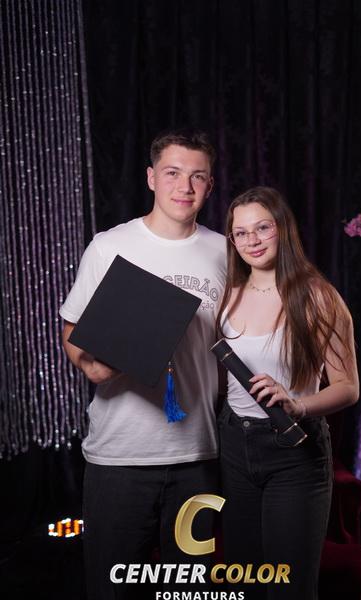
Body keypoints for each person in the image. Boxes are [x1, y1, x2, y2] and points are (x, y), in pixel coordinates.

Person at [60, 129, 226, 599]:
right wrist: (89, 366)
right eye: (172, 173)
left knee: (189, 590)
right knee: (112, 589)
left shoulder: (226, 251)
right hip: (120, 456)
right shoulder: (109, 246)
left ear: (210, 185)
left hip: (199, 455)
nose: (184, 187)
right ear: (152, 178)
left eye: (197, 176)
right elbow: (72, 328)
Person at [215, 186, 359, 600]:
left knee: (289, 587)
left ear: (283, 228)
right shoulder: (227, 295)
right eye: (241, 233)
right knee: (244, 582)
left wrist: (297, 404)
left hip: (295, 451)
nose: (252, 240)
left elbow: (348, 387)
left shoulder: (317, 295)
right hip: (234, 446)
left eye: (263, 228)